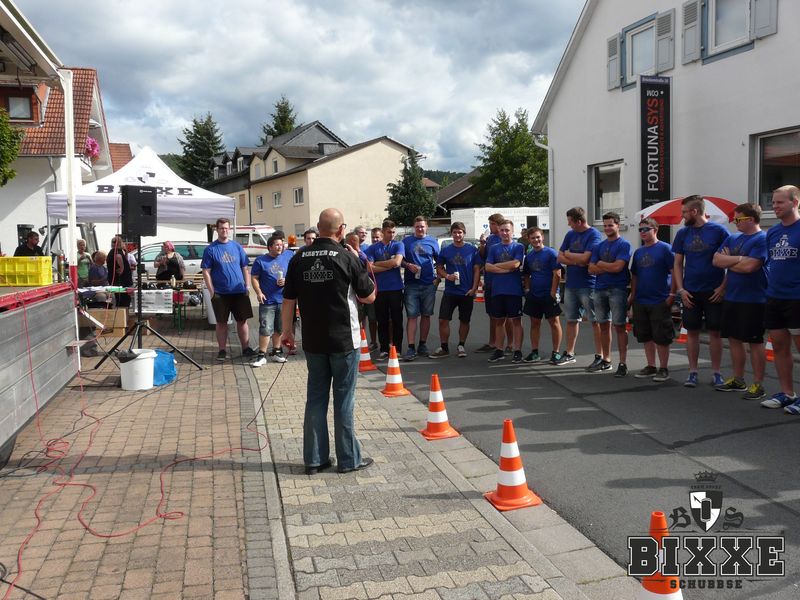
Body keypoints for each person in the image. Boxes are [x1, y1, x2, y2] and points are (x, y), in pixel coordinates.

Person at [281, 208, 376, 474]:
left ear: (318, 227)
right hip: (344, 340)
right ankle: (349, 459)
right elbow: (369, 296)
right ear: (341, 229)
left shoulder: (298, 257)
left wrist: (287, 332)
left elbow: (288, 300)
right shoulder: (347, 257)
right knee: (343, 399)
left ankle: (314, 459)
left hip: (313, 340)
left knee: (315, 398)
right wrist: (361, 262)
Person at [672, 195, 730, 387]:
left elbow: (730, 261)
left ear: (694, 211)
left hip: (714, 291)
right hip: (690, 292)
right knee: (692, 332)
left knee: (715, 332)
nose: (682, 216)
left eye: (684, 212)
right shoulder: (682, 233)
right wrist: (681, 289)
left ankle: (716, 373)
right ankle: (692, 372)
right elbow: (677, 264)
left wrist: (723, 287)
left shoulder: (719, 231)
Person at [711, 203, 768, 399]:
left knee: (755, 341)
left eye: (738, 219)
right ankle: (738, 379)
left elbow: (750, 267)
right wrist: (741, 259)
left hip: (754, 298)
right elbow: (716, 260)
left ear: (751, 219)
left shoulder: (762, 239)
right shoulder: (732, 237)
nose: (735, 222)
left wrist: (731, 260)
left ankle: (758, 384)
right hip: (732, 296)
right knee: (734, 339)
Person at [760, 185, 800, 412]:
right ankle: (788, 393)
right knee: (779, 347)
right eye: (773, 202)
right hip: (775, 297)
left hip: (797, 298)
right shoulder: (773, 232)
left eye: (779, 202)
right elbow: (771, 263)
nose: (774, 206)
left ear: (795, 203)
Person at [201, 218, 256, 361]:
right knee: (221, 323)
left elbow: (245, 267)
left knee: (242, 321)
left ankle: (246, 348)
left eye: (226, 228)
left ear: (229, 229)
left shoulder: (237, 247)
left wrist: (247, 286)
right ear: (217, 229)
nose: (224, 230)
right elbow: (206, 271)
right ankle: (222, 350)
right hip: (220, 293)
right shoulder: (211, 249)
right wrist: (212, 291)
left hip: (239, 292)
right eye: (221, 228)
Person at [629, 218, 675, 383]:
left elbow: (675, 272)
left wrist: (672, 295)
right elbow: (634, 276)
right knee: (645, 335)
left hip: (660, 299)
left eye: (646, 229)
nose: (642, 232)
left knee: (661, 336)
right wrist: (632, 297)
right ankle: (651, 366)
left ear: (655, 229)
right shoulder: (638, 252)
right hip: (641, 300)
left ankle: (663, 368)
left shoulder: (665, 249)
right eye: (640, 230)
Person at [588, 212, 632, 376]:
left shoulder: (624, 245)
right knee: (603, 325)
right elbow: (591, 269)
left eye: (610, 225)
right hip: (599, 289)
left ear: (617, 225)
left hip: (617, 289)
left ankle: (622, 363)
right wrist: (608, 266)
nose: (607, 228)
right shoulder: (599, 246)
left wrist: (600, 263)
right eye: (605, 225)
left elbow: (618, 268)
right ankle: (606, 360)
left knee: (619, 326)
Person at [557, 206, 602, 366]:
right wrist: (576, 259)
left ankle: (600, 355)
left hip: (589, 284)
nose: (569, 225)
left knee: (595, 321)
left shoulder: (594, 234)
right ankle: (570, 353)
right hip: (571, 284)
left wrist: (569, 255)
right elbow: (559, 257)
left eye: (570, 222)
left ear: (579, 221)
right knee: (571, 320)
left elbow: (586, 259)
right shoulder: (570, 234)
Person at [430, 221, 481, 358]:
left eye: (460, 232)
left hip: (466, 292)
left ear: (464, 233)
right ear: (451, 234)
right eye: (455, 232)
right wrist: (447, 276)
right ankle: (444, 347)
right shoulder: (446, 250)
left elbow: (477, 270)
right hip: (450, 291)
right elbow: (439, 268)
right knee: (443, 319)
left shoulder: (472, 249)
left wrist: (474, 288)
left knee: (465, 320)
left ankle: (461, 345)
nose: (457, 235)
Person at [521, 227, 563, 364]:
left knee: (554, 323)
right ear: (529, 239)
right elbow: (526, 274)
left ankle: (556, 353)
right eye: (533, 238)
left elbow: (557, 273)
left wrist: (553, 292)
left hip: (548, 294)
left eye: (538, 237)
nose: (536, 240)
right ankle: (534, 352)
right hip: (534, 294)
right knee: (534, 323)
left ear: (542, 237)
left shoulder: (551, 253)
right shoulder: (529, 256)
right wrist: (527, 289)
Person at [485, 220, 525, 363]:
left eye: (507, 230)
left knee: (516, 321)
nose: (504, 233)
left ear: (512, 231)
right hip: (497, 290)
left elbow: (515, 264)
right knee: (499, 321)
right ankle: (499, 350)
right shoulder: (494, 248)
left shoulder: (518, 246)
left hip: (513, 290)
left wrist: (497, 265)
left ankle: (517, 350)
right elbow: (488, 267)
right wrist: (505, 269)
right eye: (502, 230)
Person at [400, 216, 440, 360]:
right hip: (411, 285)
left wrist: (438, 279)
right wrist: (407, 265)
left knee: (426, 315)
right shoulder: (406, 242)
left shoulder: (433, 242)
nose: (420, 229)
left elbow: (439, 262)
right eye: (417, 226)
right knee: (412, 316)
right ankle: (411, 347)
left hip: (428, 284)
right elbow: (400, 260)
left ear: (426, 227)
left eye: (422, 226)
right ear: (414, 227)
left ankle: (422, 344)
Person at [250, 235, 294, 366]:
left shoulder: (287, 257)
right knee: (266, 328)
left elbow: (293, 274)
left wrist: (287, 281)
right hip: (268, 301)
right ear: (269, 247)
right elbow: (254, 278)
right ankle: (261, 356)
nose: (280, 247)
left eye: (281, 244)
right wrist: (259, 292)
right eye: (277, 245)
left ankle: (276, 352)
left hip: (283, 300)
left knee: (279, 328)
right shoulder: (261, 260)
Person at [365, 220, 404, 360]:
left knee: (397, 320)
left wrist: (377, 263)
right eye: (389, 232)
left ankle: (397, 349)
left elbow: (397, 262)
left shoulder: (398, 245)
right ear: (383, 232)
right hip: (380, 289)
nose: (392, 235)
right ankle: (384, 349)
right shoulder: (373, 248)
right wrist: (389, 265)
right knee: (382, 320)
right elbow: (369, 268)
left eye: (394, 232)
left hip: (396, 288)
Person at [476, 213, 513, 354]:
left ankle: (510, 344)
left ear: (498, 225)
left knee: (508, 316)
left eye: (492, 224)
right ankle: (493, 342)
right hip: (490, 282)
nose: (490, 226)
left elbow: (512, 263)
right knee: (493, 314)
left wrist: (494, 267)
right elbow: (483, 258)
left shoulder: (506, 239)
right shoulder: (490, 239)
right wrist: (482, 244)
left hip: (505, 283)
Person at [107, 236, 133, 307]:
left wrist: (126, 253)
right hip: (121, 280)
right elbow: (118, 257)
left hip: (120, 280)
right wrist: (122, 268)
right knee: (123, 299)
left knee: (122, 298)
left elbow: (124, 259)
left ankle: (123, 310)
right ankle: (122, 311)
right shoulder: (116, 252)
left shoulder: (118, 251)